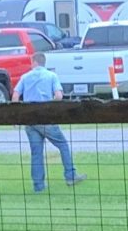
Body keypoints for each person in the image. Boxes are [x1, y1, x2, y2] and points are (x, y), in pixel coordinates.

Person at [14, 51, 84, 191]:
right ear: (44, 62)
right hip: (46, 117)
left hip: (29, 119)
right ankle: (70, 175)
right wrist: (51, 106)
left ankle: (38, 185)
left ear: (34, 62)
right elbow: (59, 95)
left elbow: (15, 95)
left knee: (36, 152)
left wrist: (17, 114)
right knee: (62, 145)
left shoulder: (25, 77)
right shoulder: (52, 76)